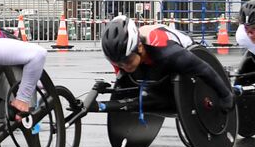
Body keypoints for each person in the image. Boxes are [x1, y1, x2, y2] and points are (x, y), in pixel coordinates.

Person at [99, 14, 234, 111]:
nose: (124, 66)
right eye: (118, 63)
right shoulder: (119, 55)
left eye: (127, 60)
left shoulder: (168, 53)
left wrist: (226, 95)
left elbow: (204, 69)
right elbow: (124, 84)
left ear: (139, 46)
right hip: (151, 62)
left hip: (184, 53)